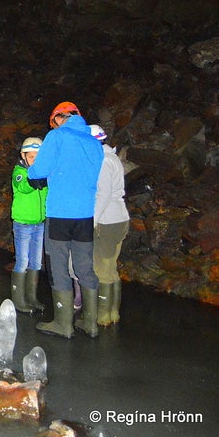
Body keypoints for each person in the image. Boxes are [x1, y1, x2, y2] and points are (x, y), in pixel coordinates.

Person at [28, 101, 103, 338]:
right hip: (85, 215)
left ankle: (63, 324)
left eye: (54, 121)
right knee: (84, 267)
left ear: (59, 117)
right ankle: (90, 323)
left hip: (60, 213)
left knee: (58, 266)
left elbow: (38, 171)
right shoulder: (94, 143)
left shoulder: (57, 136)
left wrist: (32, 171)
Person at [89, 124, 130, 326]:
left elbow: (103, 194)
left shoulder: (103, 162)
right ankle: (114, 313)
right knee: (112, 266)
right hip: (121, 218)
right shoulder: (112, 158)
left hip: (108, 221)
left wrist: (93, 220)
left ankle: (103, 315)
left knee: (101, 267)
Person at [10, 136, 47, 312]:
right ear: (24, 156)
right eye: (31, 157)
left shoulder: (45, 174)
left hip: (39, 223)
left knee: (36, 262)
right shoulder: (19, 172)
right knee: (23, 261)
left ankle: (31, 297)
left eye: (38, 157)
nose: (35, 160)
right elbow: (23, 186)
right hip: (23, 223)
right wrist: (34, 181)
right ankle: (18, 300)